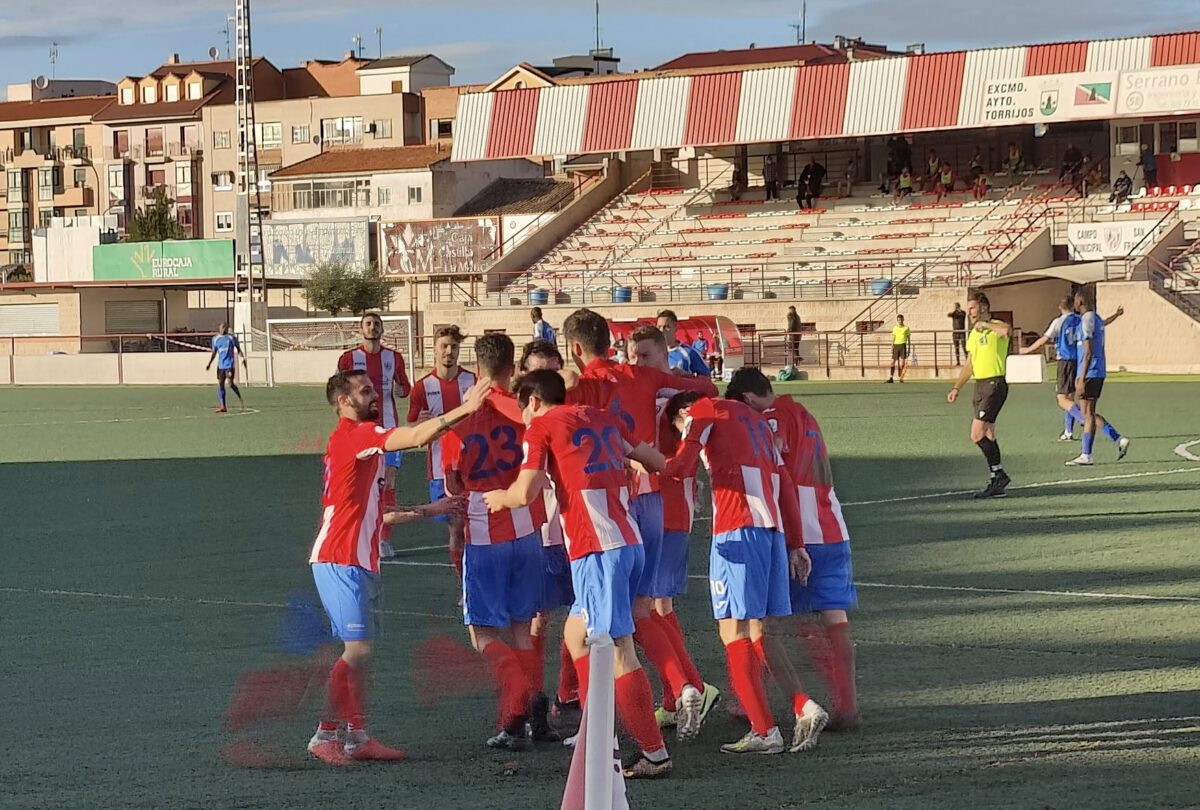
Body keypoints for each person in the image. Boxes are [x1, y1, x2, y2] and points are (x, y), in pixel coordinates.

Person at [482, 370, 674, 779]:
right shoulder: (601, 416)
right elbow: (656, 462)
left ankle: (654, 752)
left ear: (532, 401)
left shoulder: (542, 427)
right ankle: (597, 733)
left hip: (598, 549)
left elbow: (524, 493)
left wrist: (497, 498)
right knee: (575, 634)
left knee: (620, 649)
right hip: (627, 540)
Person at [307, 369, 489, 765]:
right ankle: (324, 734)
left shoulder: (362, 449)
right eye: (365, 391)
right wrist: (466, 409)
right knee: (357, 649)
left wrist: (429, 510)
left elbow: (379, 515)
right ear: (343, 402)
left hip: (358, 560)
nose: (375, 396)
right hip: (339, 559)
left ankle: (357, 737)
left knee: (360, 653)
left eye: (374, 389)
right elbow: (418, 437)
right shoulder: (355, 437)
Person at [562, 310, 719, 742]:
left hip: (608, 505)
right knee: (639, 610)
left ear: (575, 349)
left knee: (609, 622)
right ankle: (677, 689)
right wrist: (666, 385)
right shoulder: (644, 376)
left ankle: (647, 711)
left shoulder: (579, 387)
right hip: (652, 497)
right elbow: (707, 387)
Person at [663, 391, 819, 755]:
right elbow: (786, 485)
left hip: (737, 529)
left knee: (732, 629)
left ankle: (764, 730)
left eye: (677, 428)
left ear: (683, 413)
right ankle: (803, 706)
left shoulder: (702, 412)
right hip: (772, 532)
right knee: (759, 629)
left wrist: (637, 460)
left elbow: (683, 465)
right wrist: (796, 544)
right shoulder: (755, 420)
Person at [725, 367, 859, 731]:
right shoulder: (805, 413)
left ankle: (749, 699)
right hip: (832, 526)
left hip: (797, 530)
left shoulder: (770, 418)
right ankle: (847, 704)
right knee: (834, 618)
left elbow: (775, 465)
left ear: (747, 401)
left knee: (759, 620)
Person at [441, 333, 551, 749]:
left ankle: (518, 701)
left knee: (483, 634)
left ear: (477, 365)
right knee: (524, 631)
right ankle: (526, 716)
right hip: (526, 529)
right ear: (512, 368)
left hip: (484, 534)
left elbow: (453, 484)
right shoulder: (526, 412)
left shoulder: (460, 417)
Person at [628, 325, 721, 729]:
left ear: (664, 358)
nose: (637, 363)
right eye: (633, 356)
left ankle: (692, 688)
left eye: (645, 356)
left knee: (650, 607)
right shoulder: (646, 393)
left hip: (666, 508)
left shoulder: (671, 397)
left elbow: (697, 420)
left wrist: (681, 467)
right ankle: (678, 693)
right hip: (649, 507)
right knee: (656, 606)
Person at [518, 340, 579, 715]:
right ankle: (535, 699)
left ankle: (568, 691)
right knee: (539, 616)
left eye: (551, 371)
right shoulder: (521, 415)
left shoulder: (571, 414)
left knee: (581, 609)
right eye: (536, 372)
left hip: (574, 524)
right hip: (538, 526)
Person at [337, 312, 413, 555]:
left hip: (388, 429)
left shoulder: (394, 358)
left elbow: (405, 389)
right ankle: (355, 532)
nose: (372, 327)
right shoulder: (349, 358)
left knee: (387, 482)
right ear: (361, 330)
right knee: (360, 484)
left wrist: (402, 389)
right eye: (368, 324)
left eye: (376, 324)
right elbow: (339, 392)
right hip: (359, 433)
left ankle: (382, 537)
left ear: (382, 330)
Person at [408, 325, 477, 580]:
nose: (449, 351)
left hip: (472, 465)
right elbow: (413, 428)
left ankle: (471, 581)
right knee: (456, 528)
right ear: (434, 350)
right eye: (444, 346)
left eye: (454, 347)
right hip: (440, 467)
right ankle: (465, 584)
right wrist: (420, 423)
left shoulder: (472, 380)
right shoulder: (421, 387)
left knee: (470, 526)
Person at [946, 292, 1012, 499]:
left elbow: (1006, 331)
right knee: (989, 434)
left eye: (973, 307)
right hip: (980, 385)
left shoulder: (995, 326)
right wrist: (957, 387)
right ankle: (997, 479)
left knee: (976, 434)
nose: (970, 312)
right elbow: (970, 363)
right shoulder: (973, 334)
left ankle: (999, 474)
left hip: (995, 383)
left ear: (983, 307)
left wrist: (986, 325)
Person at [1066, 291, 1131, 466]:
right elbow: (1104, 323)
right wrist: (1117, 315)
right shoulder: (1095, 318)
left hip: (1090, 372)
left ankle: (1086, 454)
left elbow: (1087, 351)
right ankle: (1117, 438)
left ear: (1079, 301)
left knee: (1086, 414)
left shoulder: (1086, 320)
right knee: (1090, 412)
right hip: (1099, 371)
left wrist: (1081, 377)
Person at [206, 323, 245, 413]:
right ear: (219, 328)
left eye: (224, 327)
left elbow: (238, 349)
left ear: (227, 328)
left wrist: (243, 358)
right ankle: (223, 406)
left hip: (229, 365)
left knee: (230, 383)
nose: (223, 329)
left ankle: (240, 398)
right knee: (220, 384)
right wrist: (209, 363)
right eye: (221, 327)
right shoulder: (215, 339)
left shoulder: (231, 338)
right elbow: (214, 352)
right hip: (220, 366)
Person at [656, 309, 709, 376]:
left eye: (666, 327)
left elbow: (706, 377)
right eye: (659, 327)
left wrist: (686, 378)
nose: (661, 331)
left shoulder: (688, 352)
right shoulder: (649, 352)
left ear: (675, 327)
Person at [887, 315, 911, 383]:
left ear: (903, 319)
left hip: (903, 346)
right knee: (892, 362)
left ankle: (901, 378)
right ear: (897, 320)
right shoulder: (895, 328)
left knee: (902, 363)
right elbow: (893, 338)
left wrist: (909, 348)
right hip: (896, 346)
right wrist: (892, 346)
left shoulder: (906, 328)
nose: (900, 321)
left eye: (901, 320)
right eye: (898, 320)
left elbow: (909, 340)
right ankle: (891, 378)